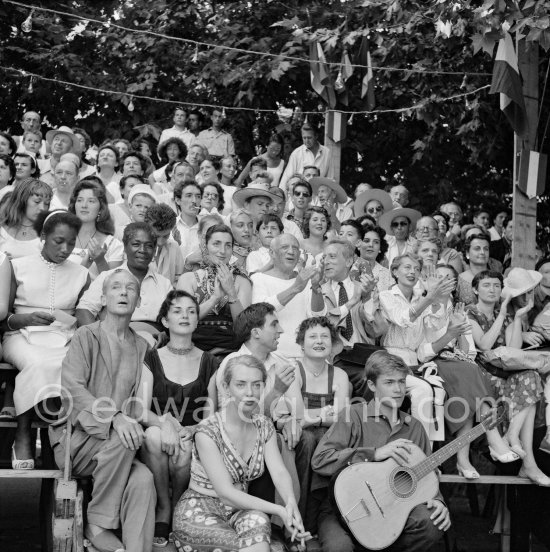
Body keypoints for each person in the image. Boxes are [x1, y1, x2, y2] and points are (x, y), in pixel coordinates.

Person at [49, 269, 156, 552]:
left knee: (143, 479)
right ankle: (98, 524)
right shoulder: (85, 336)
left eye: (130, 289)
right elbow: (73, 391)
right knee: (124, 436)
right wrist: (114, 419)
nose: (123, 292)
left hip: (121, 448)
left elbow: (140, 402)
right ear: (104, 298)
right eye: (116, 288)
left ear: (139, 299)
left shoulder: (143, 346)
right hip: (78, 441)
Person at [311, 350, 450, 552]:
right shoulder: (354, 415)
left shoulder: (415, 427)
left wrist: (439, 502)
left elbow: (426, 475)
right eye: (389, 382)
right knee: (338, 547)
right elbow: (321, 460)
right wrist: (373, 454)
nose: (398, 389)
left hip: (392, 513)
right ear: (371, 385)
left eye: (402, 382)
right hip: (343, 510)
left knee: (431, 523)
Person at [171, 355, 309, 552]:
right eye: (241, 385)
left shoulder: (264, 425)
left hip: (238, 512)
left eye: (257, 385)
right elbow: (226, 493)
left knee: (259, 520)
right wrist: (279, 510)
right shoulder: (208, 431)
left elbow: (279, 472)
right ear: (227, 388)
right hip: (198, 512)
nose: (250, 393)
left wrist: (291, 505)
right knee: (258, 548)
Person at [2, 210, 90, 468]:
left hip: (63, 337)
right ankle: (23, 433)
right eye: (58, 241)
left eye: (71, 243)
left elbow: (79, 317)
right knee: (38, 363)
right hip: (19, 335)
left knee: (71, 364)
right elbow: (3, 318)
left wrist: (64, 322)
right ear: (43, 236)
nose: (65, 249)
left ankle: (61, 438)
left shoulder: (81, 274)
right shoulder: (17, 266)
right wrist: (26, 320)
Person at [417, 265, 520, 476]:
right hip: (431, 364)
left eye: (448, 278)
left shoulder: (459, 309)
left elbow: (468, 352)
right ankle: (489, 440)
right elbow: (421, 351)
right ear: (429, 281)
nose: (442, 282)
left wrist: (460, 332)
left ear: (455, 284)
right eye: (438, 277)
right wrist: (448, 335)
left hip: (459, 365)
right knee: (471, 373)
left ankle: (464, 459)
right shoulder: (423, 306)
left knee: (469, 378)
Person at [141, 290, 219, 546]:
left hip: (194, 433)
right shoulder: (151, 358)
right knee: (153, 435)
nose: (185, 315)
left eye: (191, 311)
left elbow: (212, 410)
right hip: (158, 431)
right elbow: (139, 409)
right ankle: (164, 506)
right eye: (177, 311)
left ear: (197, 320)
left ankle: (179, 507)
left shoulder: (210, 361)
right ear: (165, 320)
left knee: (185, 449)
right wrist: (164, 424)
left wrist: (195, 429)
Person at [466, 270, 549, 485]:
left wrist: (519, 316)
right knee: (530, 391)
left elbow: (512, 351)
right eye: (486, 285)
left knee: (531, 376)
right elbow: (483, 344)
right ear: (475, 289)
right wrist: (502, 314)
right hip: (482, 376)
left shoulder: (509, 315)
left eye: (496, 285)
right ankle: (528, 463)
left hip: (504, 374)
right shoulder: (470, 313)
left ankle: (513, 437)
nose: (492, 289)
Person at [378, 254, 455, 438]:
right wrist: (429, 298)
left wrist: (438, 298)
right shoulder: (386, 296)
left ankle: (427, 450)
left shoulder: (422, 296)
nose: (412, 272)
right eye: (407, 267)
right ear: (394, 272)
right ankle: (422, 446)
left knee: (439, 391)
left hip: (415, 360)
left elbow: (435, 325)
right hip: (391, 359)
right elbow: (402, 318)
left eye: (416, 269)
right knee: (424, 389)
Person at [293, 316, 350, 532]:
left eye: (325, 336)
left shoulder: (340, 375)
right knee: (308, 439)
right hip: (299, 437)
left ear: (332, 343)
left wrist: (312, 417)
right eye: (313, 336)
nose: (319, 341)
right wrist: (324, 414)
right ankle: (301, 522)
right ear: (301, 343)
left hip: (330, 436)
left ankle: (322, 521)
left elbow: (342, 417)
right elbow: (298, 417)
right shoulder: (294, 370)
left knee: (326, 441)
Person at [76, 222, 173, 341]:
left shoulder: (164, 284)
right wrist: (99, 339)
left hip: (154, 346)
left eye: (148, 246)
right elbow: (83, 310)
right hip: (113, 344)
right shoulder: (107, 277)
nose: (142, 250)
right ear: (125, 247)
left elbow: (173, 319)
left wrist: (166, 335)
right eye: (136, 244)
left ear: (154, 251)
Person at [176, 223, 252, 353]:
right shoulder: (188, 279)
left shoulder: (241, 281)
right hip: (192, 346)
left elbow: (243, 328)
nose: (222, 251)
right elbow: (184, 319)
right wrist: (215, 298)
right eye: (216, 244)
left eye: (228, 245)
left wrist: (232, 293)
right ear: (206, 247)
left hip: (229, 349)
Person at [251, 234, 325, 358]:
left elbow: (318, 316)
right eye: (285, 247)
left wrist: (316, 287)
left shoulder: (305, 280)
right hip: (273, 356)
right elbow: (260, 313)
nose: (291, 252)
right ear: (272, 253)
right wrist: (295, 288)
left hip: (305, 356)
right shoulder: (258, 279)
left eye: (295, 248)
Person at [321, 238, 383, 346]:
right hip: (331, 355)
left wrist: (367, 298)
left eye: (332, 256)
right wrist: (351, 303)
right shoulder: (319, 291)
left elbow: (377, 331)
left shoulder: (366, 288)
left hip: (362, 355)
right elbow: (321, 327)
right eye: (324, 257)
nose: (326, 261)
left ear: (349, 261)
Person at [67, 179, 124, 279]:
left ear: (101, 209)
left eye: (91, 201)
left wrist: (100, 260)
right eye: (79, 200)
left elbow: (114, 283)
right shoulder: (62, 239)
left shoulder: (113, 245)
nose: (84, 205)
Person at [0, 178, 52, 259]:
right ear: (22, 200)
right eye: (37, 202)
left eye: (46, 203)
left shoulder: (49, 234)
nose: (42, 208)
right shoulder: (1, 230)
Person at [279, 123, 332, 194]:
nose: (306, 141)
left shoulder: (327, 152)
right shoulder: (297, 153)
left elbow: (331, 178)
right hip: (300, 196)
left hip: (319, 195)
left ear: (316, 136)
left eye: (309, 138)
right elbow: (287, 177)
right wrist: (280, 196)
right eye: (304, 138)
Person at [144, 202, 185, 285]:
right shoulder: (136, 248)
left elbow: (179, 280)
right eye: (156, 236)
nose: (160, 242)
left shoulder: (174, 247)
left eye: (166, 236)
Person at [457, 235, 492, 305]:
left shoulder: (497, 278)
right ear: (467, 253)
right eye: (477, 248)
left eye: (486, 249)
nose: (482, 252)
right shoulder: (459, 280)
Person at [357, 226, 393, 292]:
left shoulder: (387, 275)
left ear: (380, 248)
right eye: (366, 241)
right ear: (358, 245)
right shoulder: (348, 269)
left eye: (376, 242)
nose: (371, 245)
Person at [173, 179, 201, 261]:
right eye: (189, 196)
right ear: (178, 200)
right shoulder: (169, 226)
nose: (194, 201)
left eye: (198, 196)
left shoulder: (207, 226)